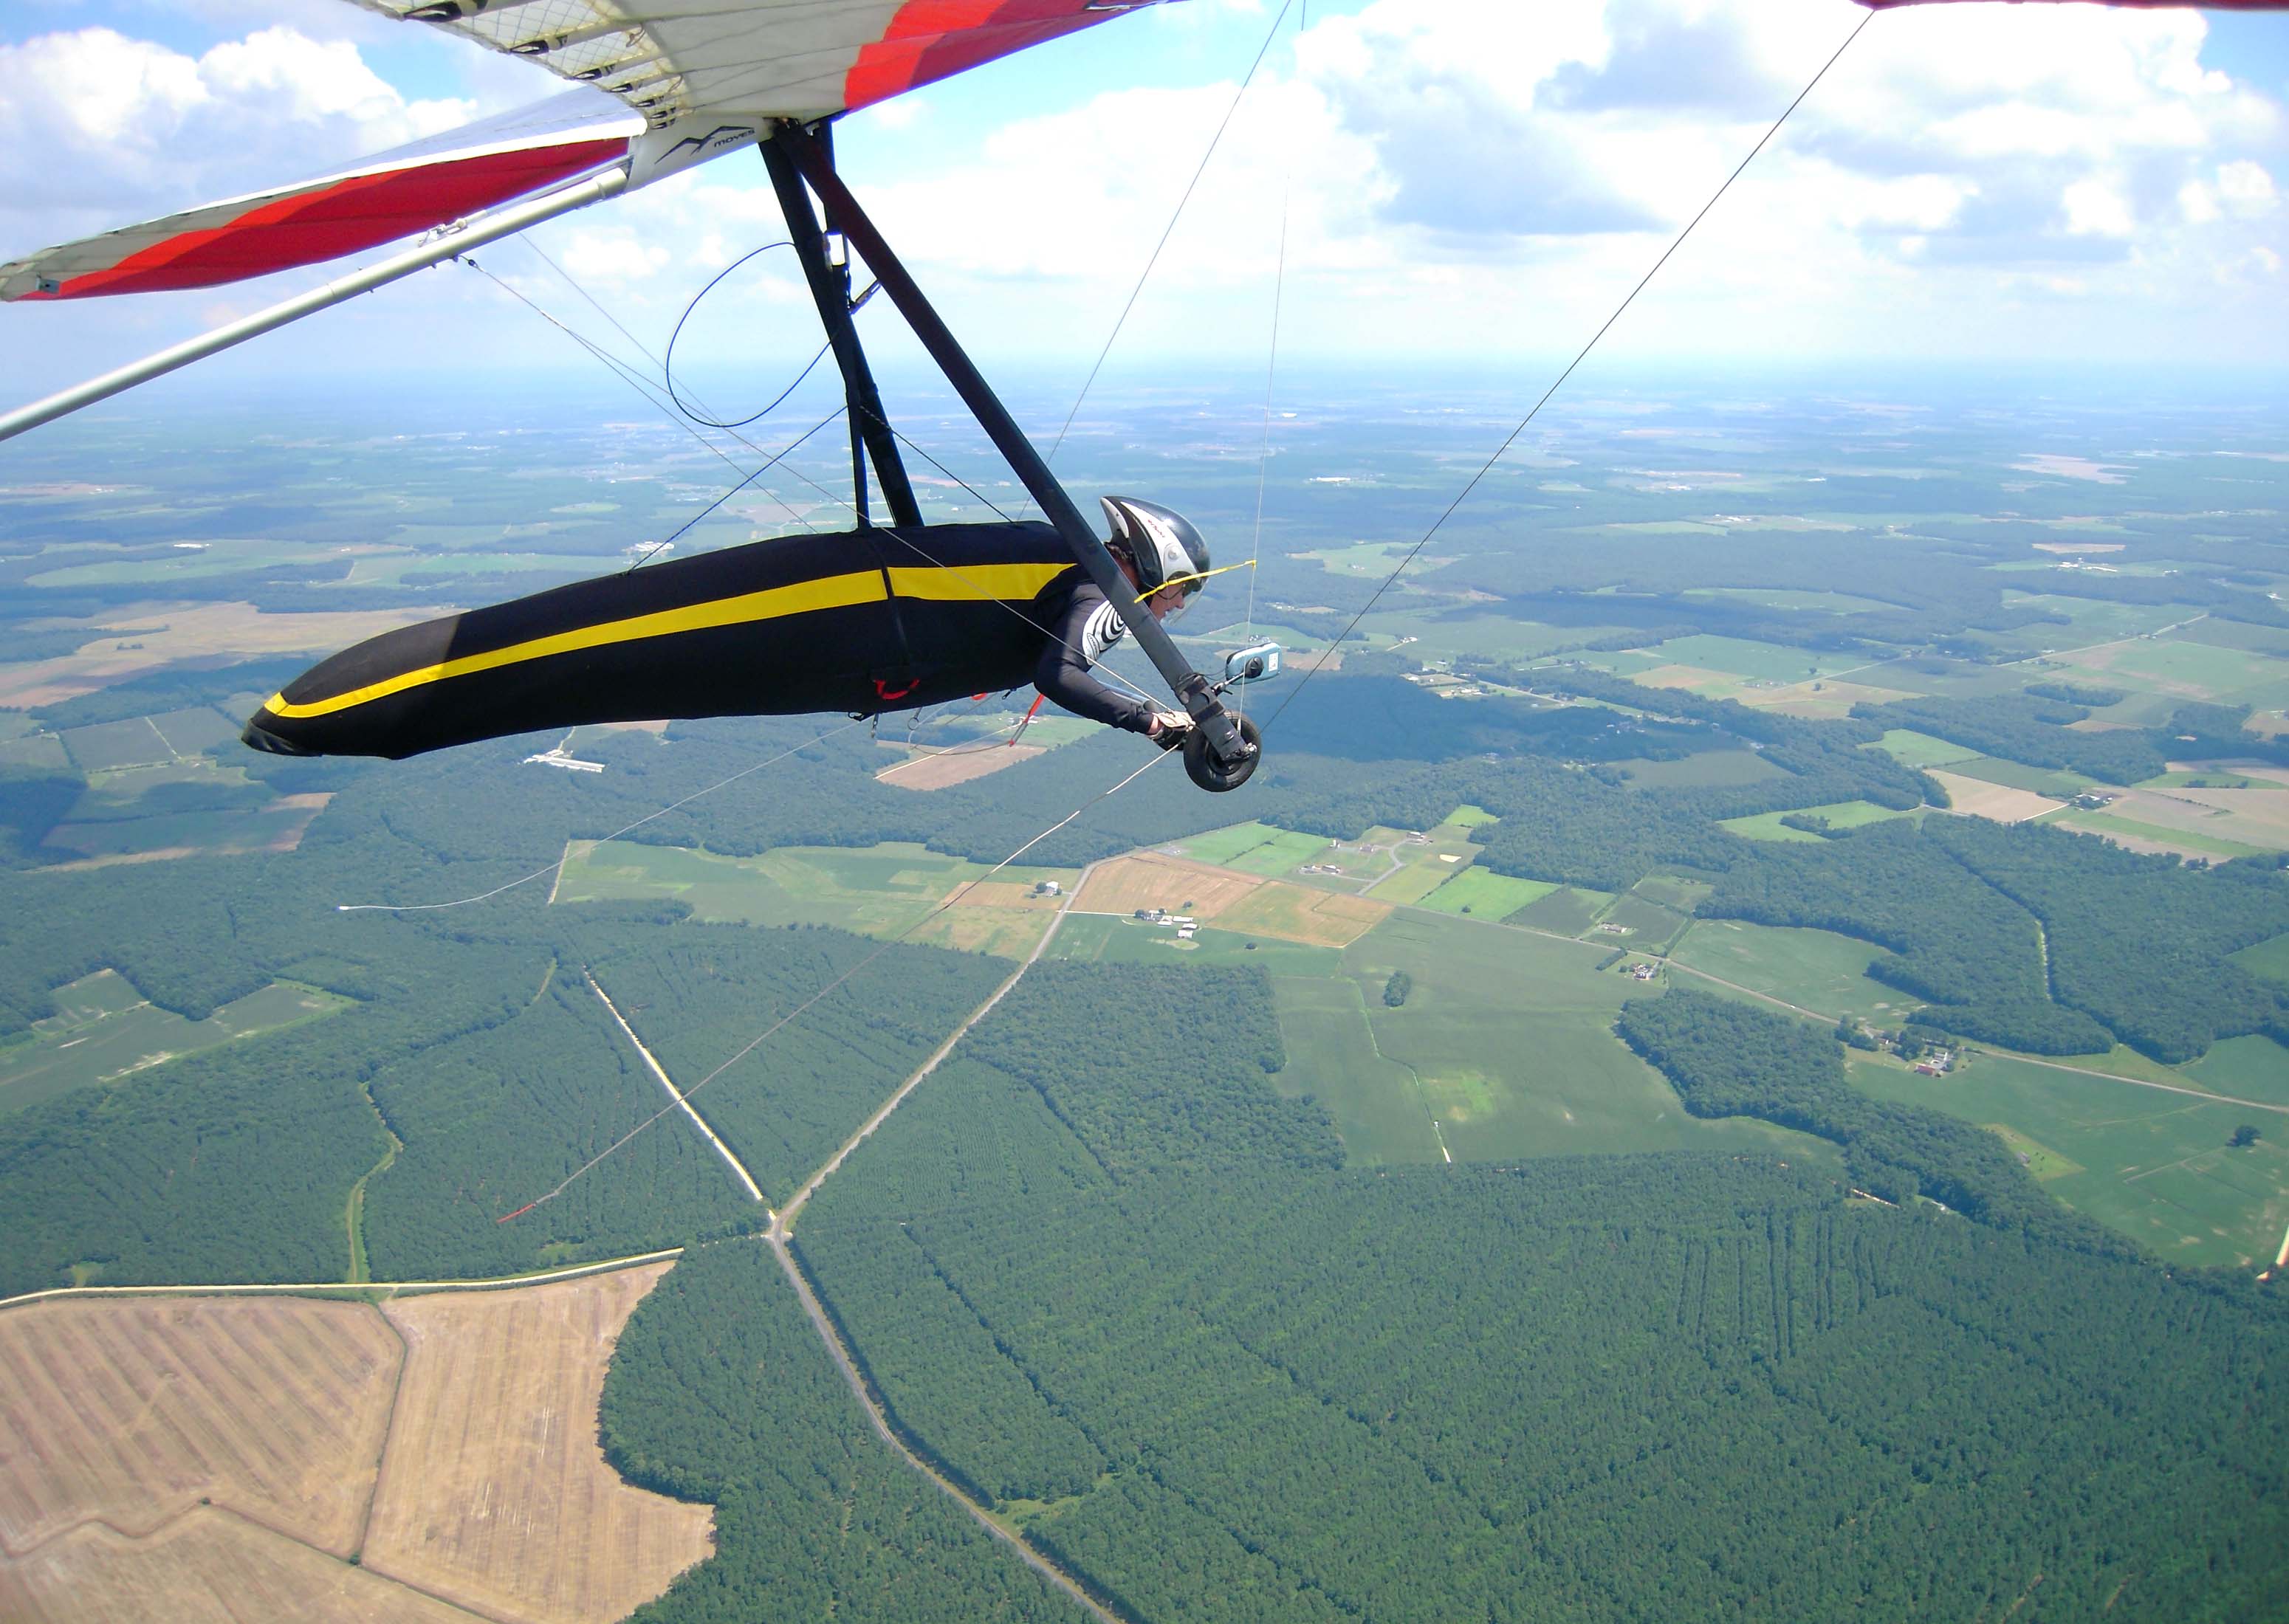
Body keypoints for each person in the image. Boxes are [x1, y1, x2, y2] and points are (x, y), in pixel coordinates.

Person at [240, 495, 1212, 761]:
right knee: (592, 648)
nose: (1170, 615)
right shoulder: (1092, 584)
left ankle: (332, 719)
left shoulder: (1055, 557)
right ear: (1151, 568)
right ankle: (333, 716)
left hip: (840, 610)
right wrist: (1157, 722)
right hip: (831, 623)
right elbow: (1060, 674)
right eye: (1178, 595)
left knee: (591, 648)